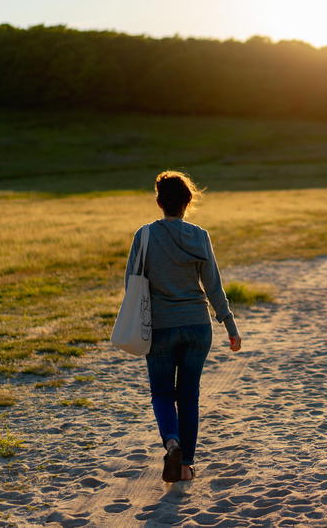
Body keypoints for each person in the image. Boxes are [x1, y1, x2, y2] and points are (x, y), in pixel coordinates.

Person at [124, 171, 242, 483]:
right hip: (197, 327)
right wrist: (229, 324)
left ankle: (172, 442)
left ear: (159, 202)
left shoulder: (145, 235)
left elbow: (131, 286)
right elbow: (213, 286)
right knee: (189, 396)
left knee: (162, 393)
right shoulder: (200, 235)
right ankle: (186, 465)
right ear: (187, 202)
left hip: (161, 328)